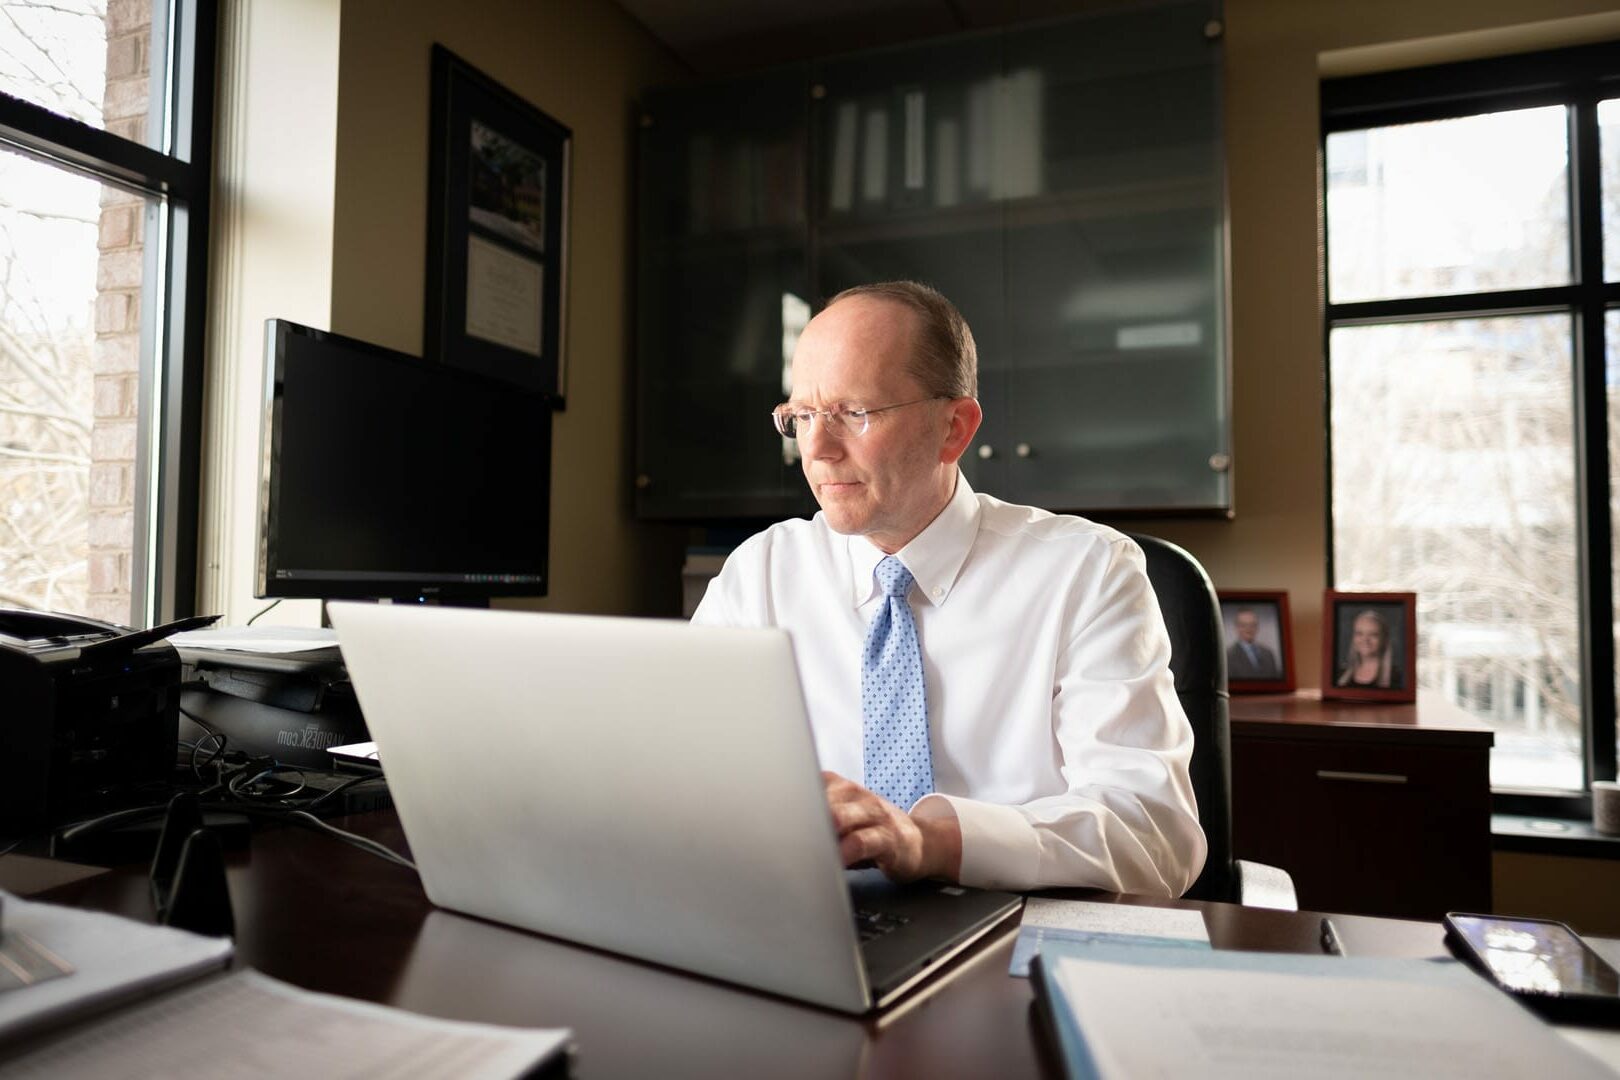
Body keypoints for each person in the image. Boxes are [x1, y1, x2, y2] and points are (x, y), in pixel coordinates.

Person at [692, 281, 1205, 898]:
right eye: (802, 416)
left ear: (954, 428)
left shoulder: (1087, 571)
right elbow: (687, 777)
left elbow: (1153, 834)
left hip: (1018, 932)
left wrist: (928, 842)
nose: (819, 450)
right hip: (813, 923)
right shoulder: (762, 573)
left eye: (856, 413)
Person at [1335, 608, 1402, 689]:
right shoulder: (1339, 675)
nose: (1365, 640)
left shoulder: (1397, 678)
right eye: (1359, 633)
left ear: (1384, 639)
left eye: (1373, 634)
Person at [1226, 607, 1280, 680]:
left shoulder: (1268, 653)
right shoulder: (1228, 655)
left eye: (1252, 625)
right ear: (1237, 627)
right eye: (1243, 625)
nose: (1248, 629)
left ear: (1257, 627)